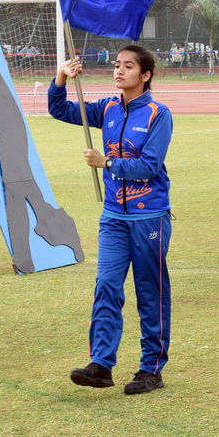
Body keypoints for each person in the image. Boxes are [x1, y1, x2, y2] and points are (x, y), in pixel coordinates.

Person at [49, 46, 174, 395]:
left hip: (149, 218)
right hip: (114, 218)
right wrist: (62, 76)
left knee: (151, 292)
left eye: (128, 66)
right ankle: (101, 365)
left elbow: (149, 167)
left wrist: (107, 163)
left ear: (145, 75)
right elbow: (59, 108)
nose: (119, 71)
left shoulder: (158, 114)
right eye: (117, 65)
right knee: (106, 285)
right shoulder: (106, 108)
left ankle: (151, 369)